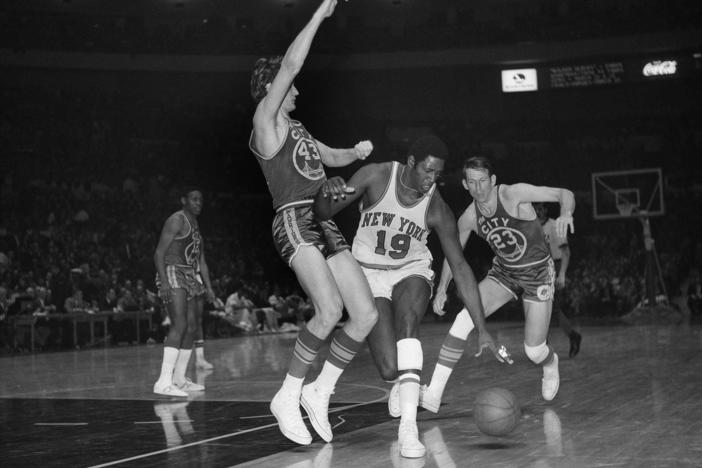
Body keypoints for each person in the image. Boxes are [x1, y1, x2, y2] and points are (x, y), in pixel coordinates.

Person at [315, 135, 504, 458]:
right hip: (369, 274)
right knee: (390, 368)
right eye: (427, 171)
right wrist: (326, 191)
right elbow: (322, 212)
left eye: (437, 174)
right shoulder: (376, 175)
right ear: (411, 163)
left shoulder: (436, 208)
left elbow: (459, 267)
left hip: (410, 271)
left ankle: (409, 427)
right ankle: (401, 383)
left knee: (408, 321)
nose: (432, 180)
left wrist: (482, 327)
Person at [249, 0, 378, 446]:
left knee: (364, 314)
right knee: (329, 311)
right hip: (292, 221)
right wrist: (319, 16)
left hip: (322, 221)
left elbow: (331, 157)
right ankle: (287, 395)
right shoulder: (266, 123)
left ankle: (320, 390)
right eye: (291, 86)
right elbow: (291, 62)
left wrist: (355, 155)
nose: (298, 90)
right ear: (271, 87)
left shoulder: (299, 128)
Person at [423, 156, 575, 411]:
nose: (478, 187)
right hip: (504, 272)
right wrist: (441, 289)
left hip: (537, 273)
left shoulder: (513, 195)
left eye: (482, 181)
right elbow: (453, 253)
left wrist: (567, 213)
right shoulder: (470, 217)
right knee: (464, 319)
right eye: (472, 182)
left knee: (534, 351)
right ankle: (434, 394)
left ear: (492, 181)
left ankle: (550, 363)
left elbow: (564, 193)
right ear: (465, 185)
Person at [153, 187, 210, 397]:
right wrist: (165, 283)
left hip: (188, 275)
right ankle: (163, 381)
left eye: (200, 200)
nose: (198, 203)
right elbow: (158, 253)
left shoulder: (195, 225)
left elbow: (200, 262)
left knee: (193, 326)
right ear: (183, 200)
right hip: (172, 270)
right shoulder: (176, 220)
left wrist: (208, 287)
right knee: (180, 324)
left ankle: (179, 379)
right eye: (194, 199)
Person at [535, 202, 582, 358]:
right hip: (538, 269)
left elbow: (566, 252)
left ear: (546, 210)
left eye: (541, 208)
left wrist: (561, 274)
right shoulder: (532, 227)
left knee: (549, 308)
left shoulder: (555, 226)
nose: (538, 211)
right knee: (543, 308)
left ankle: (544, 345)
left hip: (554, 266)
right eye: (536, 208)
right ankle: (572, 336)